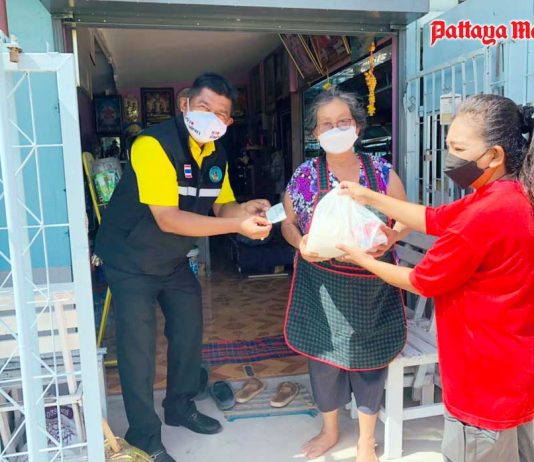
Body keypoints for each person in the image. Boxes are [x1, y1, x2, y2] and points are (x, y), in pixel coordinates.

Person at [336, 94, 534, 462]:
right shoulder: (512, 195)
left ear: (494, 155)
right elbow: (434, 218)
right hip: (517, 370)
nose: (449, 157)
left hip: (482, 383)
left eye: (458, 148)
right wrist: (370, 197)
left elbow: (420, 281)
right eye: (448, 146)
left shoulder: (482, 216)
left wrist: (359, 257)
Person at [95, 73, 272, 462]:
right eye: (204, 107)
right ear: (184, 104)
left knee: (189, 328)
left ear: (229, 122)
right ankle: (144, 434)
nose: (211, 118)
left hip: (171, 259)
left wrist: (244, 211)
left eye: (221, 114)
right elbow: (168, 218)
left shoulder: (217, 154)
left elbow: (222, 206)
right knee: (139, 347)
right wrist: (236, 226)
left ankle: (179, 407)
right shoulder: (152, 145)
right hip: (129, 258)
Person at [281, 88, 410, 462]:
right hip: (321, 284)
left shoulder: (380, 171)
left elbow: (404, 217)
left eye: (343, 122)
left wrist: (391, 238)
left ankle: (366, 440)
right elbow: (288, 222)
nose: (335, 129)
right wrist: (300, 242)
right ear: (315, 133)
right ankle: (330, 430)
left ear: (357, 126)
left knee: (371, 359)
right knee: (324, 360)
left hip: (372, 284)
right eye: (326, 124)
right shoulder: (306, 175)